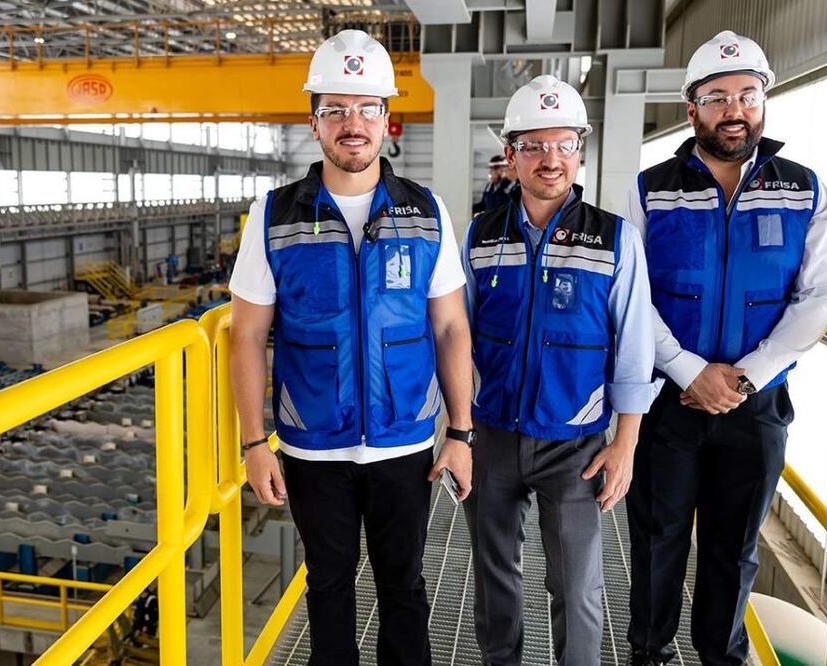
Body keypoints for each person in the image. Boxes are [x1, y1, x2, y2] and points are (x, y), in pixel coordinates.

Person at [227, 29, 475, 666]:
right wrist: (254, 444)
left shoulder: (428, 211)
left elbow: (451, 328)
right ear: (314, 122)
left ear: (388, 120)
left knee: (404, 586)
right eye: (335, 109)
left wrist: (460, 433)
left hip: (406, 439)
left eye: (367, 108)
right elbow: (247, 335)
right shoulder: (273, 215)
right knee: (328, 586)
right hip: (313, 444)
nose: (352, 123)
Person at [624, 30, 827, 666]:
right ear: (691, 107)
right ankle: (648, 654)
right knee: (657, 541)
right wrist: (688, 370)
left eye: (748, 94)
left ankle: (721, 657)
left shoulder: (805, 190)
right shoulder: (651, 189)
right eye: (717, 97)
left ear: (764, 101)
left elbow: (822, 295)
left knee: (734, 547)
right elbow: (632, 296)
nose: (734, 109)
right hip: (668, 402)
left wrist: (747, 376)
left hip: (756, 405)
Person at [463, 74, 656, 666]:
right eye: (534, 146)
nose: (550, 159)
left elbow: (635, 347)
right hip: (492, 434)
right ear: (511, 155)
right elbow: (455, 335)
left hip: (575, 445)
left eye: (564, 144)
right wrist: (456, 430)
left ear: (579, 149)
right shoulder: (480, 236)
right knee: (494, 577)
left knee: (577, 588)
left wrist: (625, 444)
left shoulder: (615, 239)